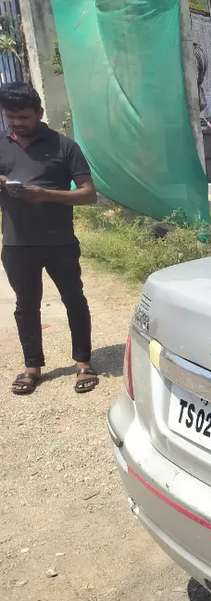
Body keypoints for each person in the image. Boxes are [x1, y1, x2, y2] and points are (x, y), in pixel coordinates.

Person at [0, 82, 98, 395]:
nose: (17, 123)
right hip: (17, 243)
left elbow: (88, 194)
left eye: (24, 117)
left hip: (60, 243)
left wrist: (44, 195)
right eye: (10, 117)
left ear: (39, 114)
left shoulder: (63, 146)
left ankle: (83, 362)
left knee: (74, 300)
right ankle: (32, 367)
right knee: (26, 305)